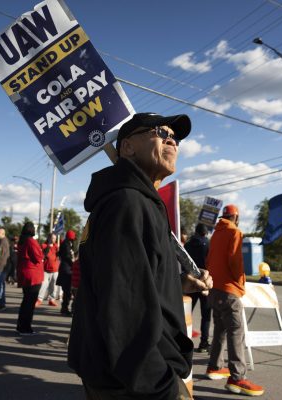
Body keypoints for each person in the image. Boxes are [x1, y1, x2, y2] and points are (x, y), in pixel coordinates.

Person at [68, 112, 213, 399]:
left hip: (134, 373)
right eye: (161, 132)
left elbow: (141, 279)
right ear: (128, 147)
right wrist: (157, 385)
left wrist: (180, 283)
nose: (171, 140)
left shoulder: (140, 202)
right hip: (134, 380)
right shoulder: (126, 203)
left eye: (175, 138)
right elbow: (123, 304)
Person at [205, 204, 264, 396]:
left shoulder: (216, 233)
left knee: (221, 330)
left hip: (215, 289)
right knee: (236, 332)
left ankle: (214, 367)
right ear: (236, 217)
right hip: (229, 291)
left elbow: (210, 260)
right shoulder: (234, 232)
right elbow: (236, 262)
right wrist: (240, 283)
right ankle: (237, 378)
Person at [185, 223, 212, 353]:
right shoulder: (209, 245)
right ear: (205, 233)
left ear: (195, 232)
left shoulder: (188, 245)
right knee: (206, 315)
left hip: (190, 283)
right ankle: (204, 343)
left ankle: (183, 342)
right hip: (205, 283)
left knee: (186, 314)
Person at [16, 222, 44, 336]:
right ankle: (25, 327)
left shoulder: (22, 241)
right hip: (33, 275)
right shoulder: (31, 241)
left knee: (26, 302)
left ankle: (21, 326)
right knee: (29, 303)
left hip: (25, 274)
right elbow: (38, 257)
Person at [56, 230, 75, 316]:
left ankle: (64, 308)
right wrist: (73, 264)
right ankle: (64, 308)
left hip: (66, 269)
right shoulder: (66, 244)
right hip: (66, 270)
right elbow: (67, 257)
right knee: (67, 290)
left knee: (67, 291)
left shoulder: (67, 244)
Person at [37, 233, 60, 307]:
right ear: (49, 238)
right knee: (43, 285)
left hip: (55, 270)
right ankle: (39, 299)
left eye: (55, 238)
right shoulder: (44, 245)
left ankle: (51, 300)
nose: (54, 239)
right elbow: (42, 255)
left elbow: (59, 255)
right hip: (46, 270)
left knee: (53, 286)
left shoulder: (56, 246)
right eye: (53, 238)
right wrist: (48, 247)